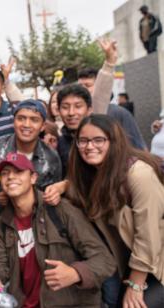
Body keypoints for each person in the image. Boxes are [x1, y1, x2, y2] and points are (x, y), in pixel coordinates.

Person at [0, 152, 115, 307]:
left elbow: (104, 260)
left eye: (18, 172)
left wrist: (76, 273)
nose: (10, 177)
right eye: (4, 173)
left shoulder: (60, 210)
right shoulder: (2, 225)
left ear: (33, 178)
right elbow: (0, 275)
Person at [66, 114, 164, 307]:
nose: (89, 146)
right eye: (83, 140)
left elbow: (148, 236)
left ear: (114, 141)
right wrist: (63, 186)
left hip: (157, 264)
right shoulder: (95, 174)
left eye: (98, 140)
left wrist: (136, 286)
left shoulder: (139, 174)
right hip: (131, 264)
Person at [77, 68, 146, 150]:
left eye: (88, 85)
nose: (82, 90)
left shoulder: (119, 112)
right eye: (80, 86)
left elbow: (137, 146)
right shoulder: (77, 114)